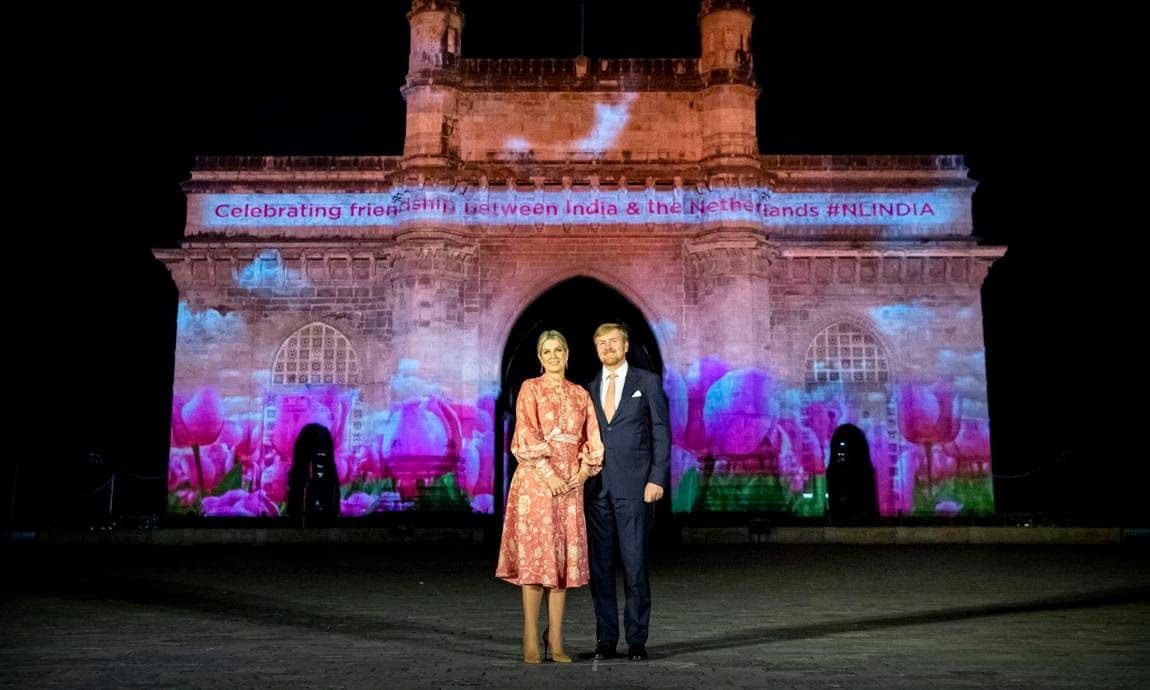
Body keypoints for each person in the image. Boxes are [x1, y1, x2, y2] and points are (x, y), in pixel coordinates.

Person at [496, 330, 604, 664]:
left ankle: (555, 639)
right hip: (535, 482)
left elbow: (593, 439)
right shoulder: (531, 388)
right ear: (539, 357)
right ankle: (530, 636)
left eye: (559, 349)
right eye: (547, 351)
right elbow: (525, 432)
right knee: (535, 562)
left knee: (560, 565)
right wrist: (548, 475)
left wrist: (581, 474)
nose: (553, 355)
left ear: (567, 354)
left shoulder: (580, 394)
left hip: (570, 484)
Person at [584, 322, 670, 661]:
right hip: (596, 490)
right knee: (600, 569)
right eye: (601, 343)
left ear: (625, 343)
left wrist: (657, 478)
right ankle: (606, 639)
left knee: (634, 566)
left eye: (613, 341)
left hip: (635, 487)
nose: (607, 347)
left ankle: (636, 640)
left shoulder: (646, 383)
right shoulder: (588, 389)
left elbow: (661, 433)